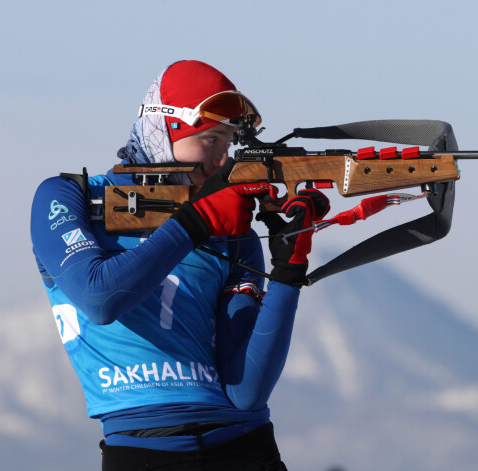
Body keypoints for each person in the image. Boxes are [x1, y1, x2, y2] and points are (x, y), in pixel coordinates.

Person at [30, 60, 329, 470]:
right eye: (211, 139)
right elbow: (99, 297)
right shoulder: (68, 196)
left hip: (247, 444)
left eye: (229, 144)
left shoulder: (232, 228)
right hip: (143, 451)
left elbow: (247, 391)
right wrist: (197, 221)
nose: (222, 158)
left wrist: (288, 270)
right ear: (166, 129)